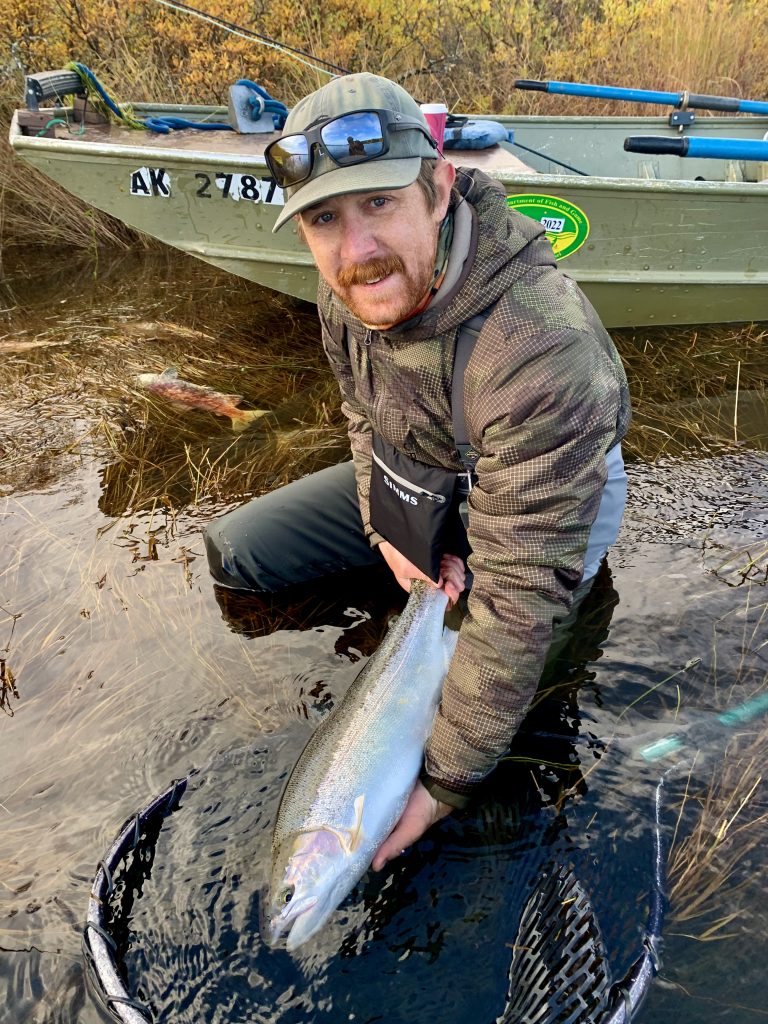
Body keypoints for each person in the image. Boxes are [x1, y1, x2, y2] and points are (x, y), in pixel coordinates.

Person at [203, 73, 630, 870]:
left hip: (539, 507)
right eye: (324, 219)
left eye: (378, 204)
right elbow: (364, 418)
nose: (355, 249)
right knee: (241, 558)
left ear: (437, 190)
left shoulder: (542, 347)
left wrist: (444, 786)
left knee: (501, 765)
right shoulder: (347, 293)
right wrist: (387, 528)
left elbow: (517, 596)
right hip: (428, 479)